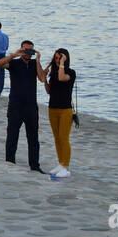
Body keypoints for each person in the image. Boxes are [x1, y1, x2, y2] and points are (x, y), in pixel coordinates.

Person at [1, 39, 46, 172]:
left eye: (30, 50)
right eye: (25, 50)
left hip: (31, 106)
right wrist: (14, 55)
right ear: (21, 50)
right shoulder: (14, 63)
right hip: (15, 105)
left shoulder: (34, 63)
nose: (27, 53)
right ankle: (10, 161)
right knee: (12, 135)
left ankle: (34, 165)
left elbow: (42, 78)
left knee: (33, 138)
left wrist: (37, 60)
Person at [44, 48, 76, 180]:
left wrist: (62, 63)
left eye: (60, 58)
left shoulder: (70, 72)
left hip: (65, 109)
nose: (57, 60)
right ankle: (60, 163)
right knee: (57, 138)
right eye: (56, 58)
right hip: (53, 108)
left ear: (65, 58)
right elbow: (49, 91)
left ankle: (66, 167)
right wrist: (45, 79)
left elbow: (62, 78)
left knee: (64, 138)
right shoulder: (54, 72)